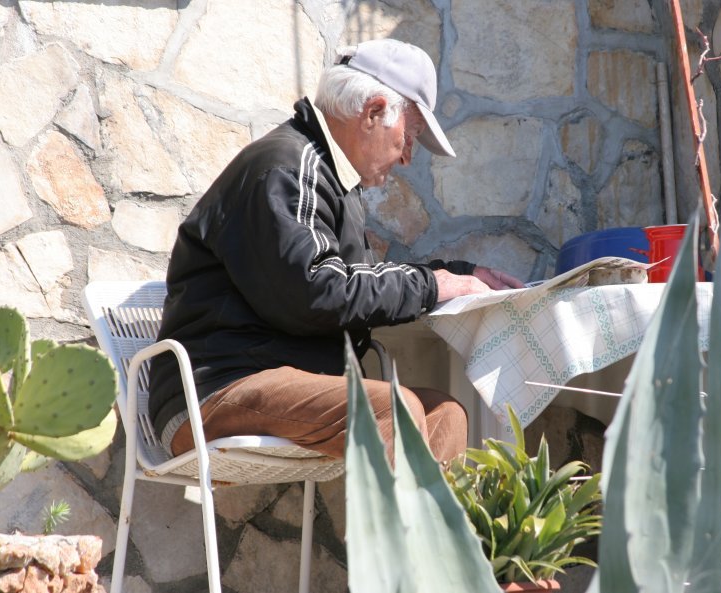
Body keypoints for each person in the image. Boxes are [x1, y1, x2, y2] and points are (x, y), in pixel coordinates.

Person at [147, 38, 523, 464]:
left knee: (445, 413)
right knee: (393, 411)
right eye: (410, 135)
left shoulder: (326, 177)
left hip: (269, 378)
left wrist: (457, 275)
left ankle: (425, 533)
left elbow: (354, 282)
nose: (407, 158)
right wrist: (433, 285)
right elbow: (317, 293)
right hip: (214, 389)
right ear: (374, 112)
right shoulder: (289, 169)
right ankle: (406, 532)